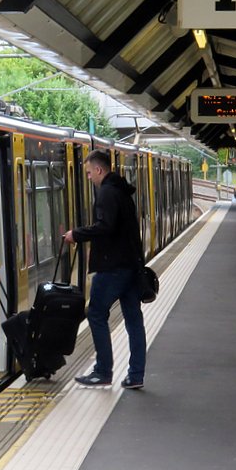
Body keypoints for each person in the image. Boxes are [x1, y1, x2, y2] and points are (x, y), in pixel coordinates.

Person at [64, 149, 148, 390]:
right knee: (133, 319)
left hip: (113, 268)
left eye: (89, 173)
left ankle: (103, 371)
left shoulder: (107, 193)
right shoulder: (122, 191)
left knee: (96, 314)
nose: (89, 177)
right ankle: (136, 375)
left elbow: (105, 227)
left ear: (99, 170)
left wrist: (76, 234)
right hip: (131, 265)